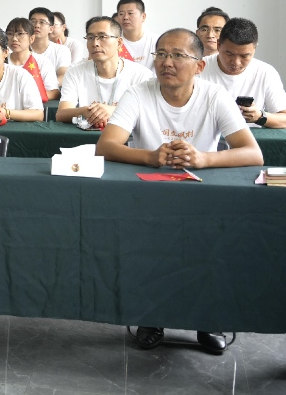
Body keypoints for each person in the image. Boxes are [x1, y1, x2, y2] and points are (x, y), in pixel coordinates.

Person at [96, 28, 262, 356]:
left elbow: (252, 153)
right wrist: (150, 156)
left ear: (199, 66)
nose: (166, 62)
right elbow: (106, 146)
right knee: (150, 253)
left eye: (177, 55)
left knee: (209, 251)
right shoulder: (138, 93)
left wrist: (204, 159)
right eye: (161, 54)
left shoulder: (214, 96)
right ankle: (151, 317)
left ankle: (207, 320)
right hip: (149, 194)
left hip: (202, 195)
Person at [56, 16, 153, 128]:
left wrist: (113, 110)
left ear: (119, 42)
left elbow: (149, 111)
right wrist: (87, 111)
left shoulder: (141, 74)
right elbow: (61, 114)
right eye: (90, 37)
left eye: (102, 37)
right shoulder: (75, 72)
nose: (95, 43)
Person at [199, 17, 286, 130]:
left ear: (254, 49)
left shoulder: (265, 73)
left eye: (244, 56)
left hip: (250, 139)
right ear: (218, 45)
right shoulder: (198, 69)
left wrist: (260, 117)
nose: (236, 62)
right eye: (229, 54)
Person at [5, 17, 59, 102]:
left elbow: (54, 93)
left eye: (20, 34)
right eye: (10, 34)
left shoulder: (43, 62)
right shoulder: (1, 61)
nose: (14, 38)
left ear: (32, 38)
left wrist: (26, 97)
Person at [28, 7, 72, 87]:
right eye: (33, 22)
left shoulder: (62, 50)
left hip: (50, 91)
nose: (37, 25)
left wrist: (42, 87)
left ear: (51, 29)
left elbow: (63, 76)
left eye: (42, 22)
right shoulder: (20, 49)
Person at [115, 0, 157, 68]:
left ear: (143, 16)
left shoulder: (156, 41)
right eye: (121, 14)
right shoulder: (114, 42)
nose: (125, 17)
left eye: (130, 13)